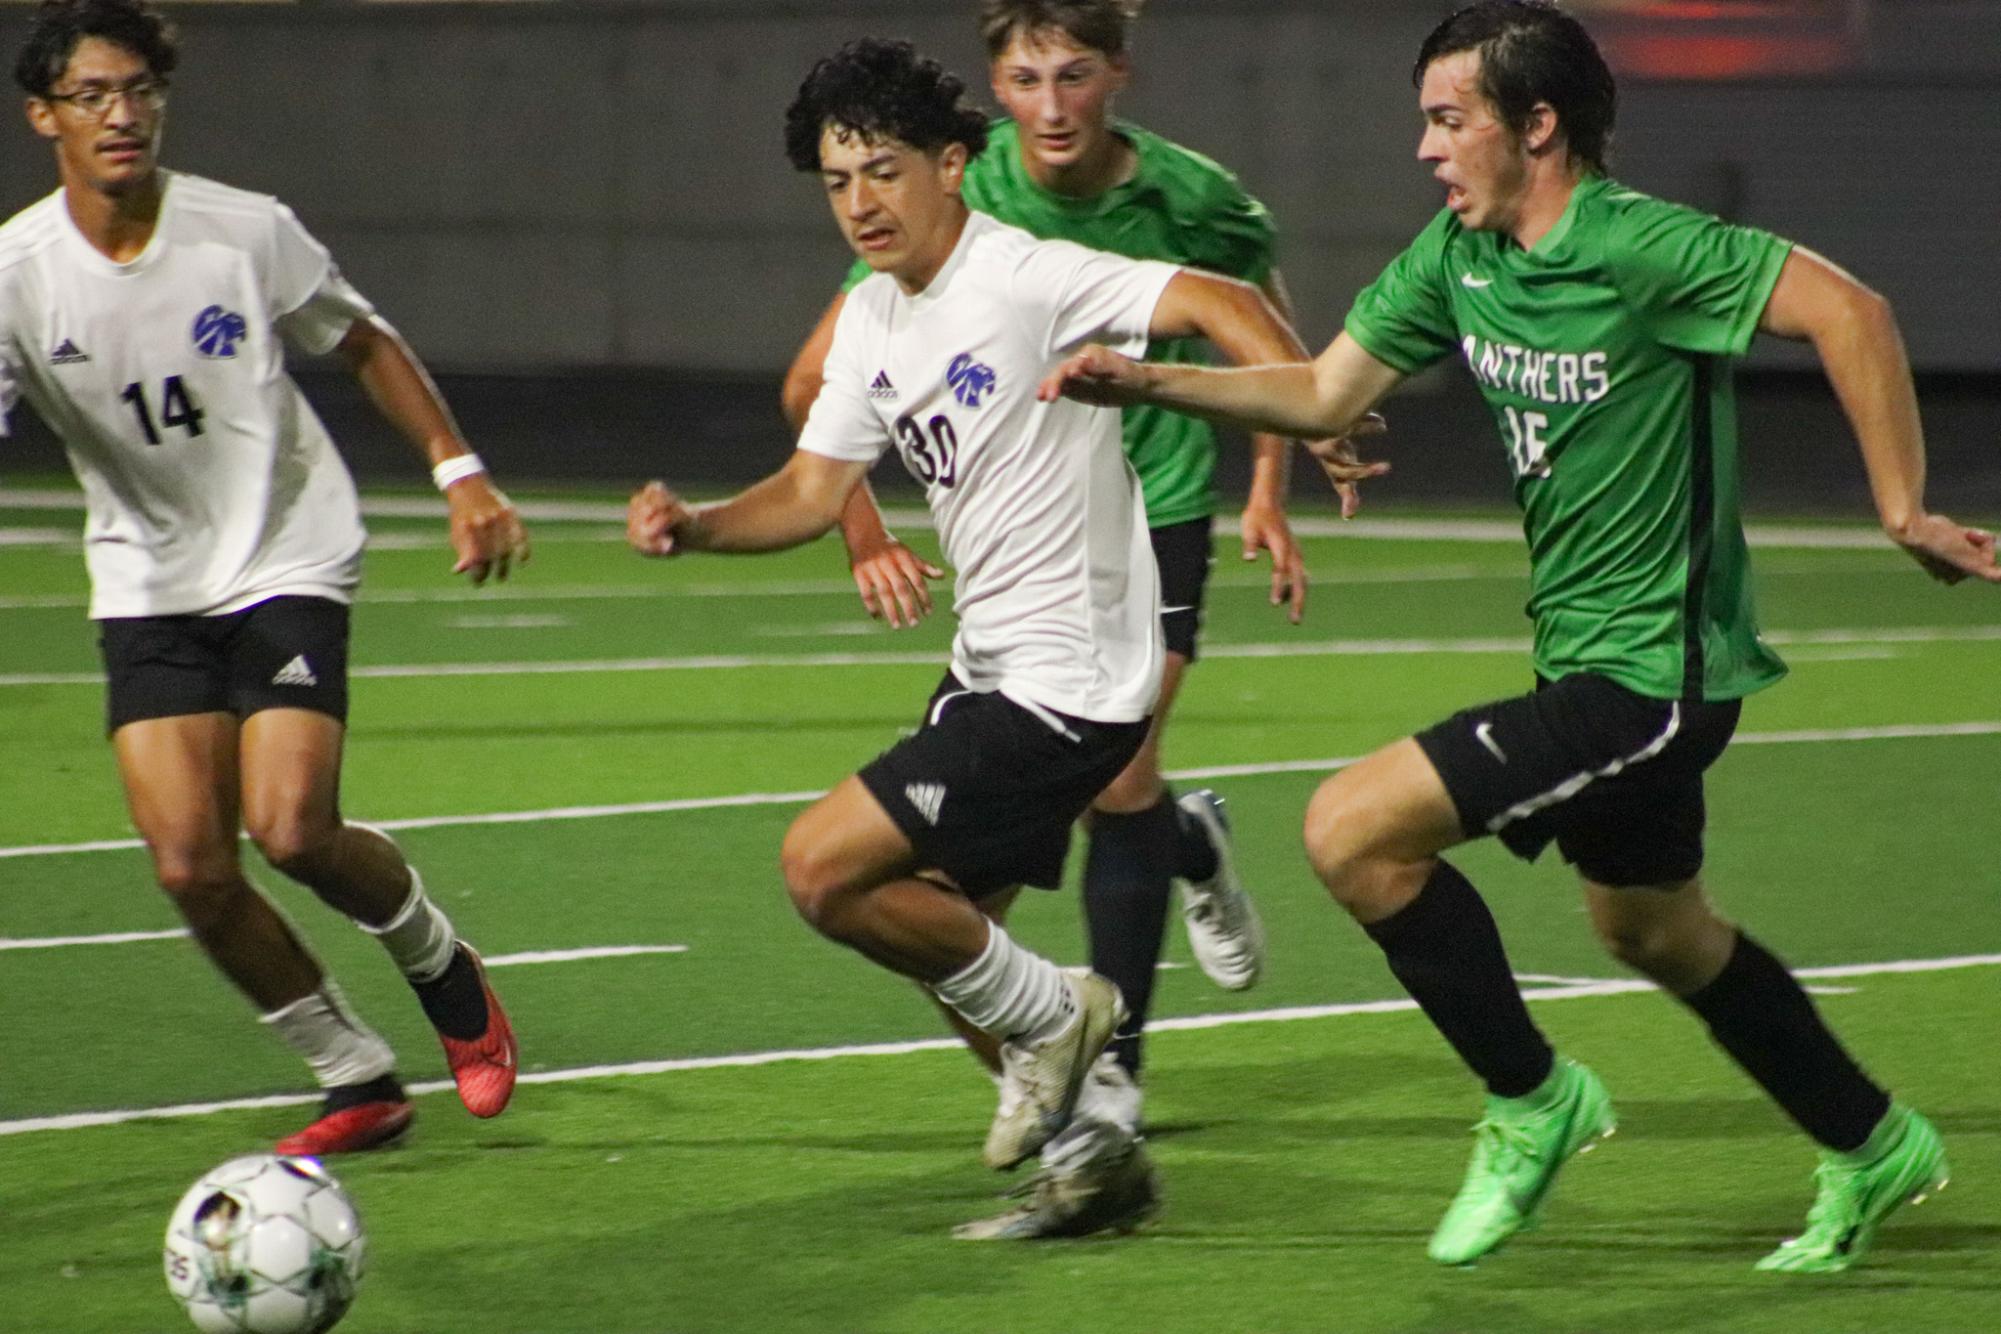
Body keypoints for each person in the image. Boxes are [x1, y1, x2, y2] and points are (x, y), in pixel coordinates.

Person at [1042, 0, 1995, 1272]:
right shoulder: (1456, 257)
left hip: (1657, 670)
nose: (1429, 149)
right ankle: (1875, 1142)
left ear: (1537, 125)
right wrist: (1147, 376)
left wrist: (1900, 508)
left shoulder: (1645, 245)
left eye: (1450, 120)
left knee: (1351, 829)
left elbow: (1852, 312)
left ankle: (1533, 1098)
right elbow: (1326, 388)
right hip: (1588, 659)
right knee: (1654, 931)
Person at [629, 36, 1347, 1239]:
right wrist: (697, 527)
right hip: (992, 668)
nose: (861, 203)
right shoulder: (871, 316)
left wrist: (1306, 401)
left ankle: (1064, 1023)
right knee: (936, 919)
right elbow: (811, 493)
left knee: (825, 867)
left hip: (1074, 681)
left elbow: (1218, 297)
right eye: (837, 180)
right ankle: (1093, 1156)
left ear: (954, 166)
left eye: (884, 171)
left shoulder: (1025, 273)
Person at [780, 0, 1350, 1131]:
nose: (1051, 105)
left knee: (1120, 773)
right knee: (950, 908)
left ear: (1118, 75)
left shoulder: (1196, 197)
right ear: (991, 91)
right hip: (1012, 554)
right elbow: (820, 390)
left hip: (1155, 497)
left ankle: (1110, 1073)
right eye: (1027, 78)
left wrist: (1272, 487)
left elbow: (1254, 315)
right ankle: (1145, 939)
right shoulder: (942, 193)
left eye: (1074, 75)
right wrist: (863, 527)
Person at [1, 0, 528, 1153]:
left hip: (287, 547)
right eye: (92, 95)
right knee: (192, 864)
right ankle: (357, 1076)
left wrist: (462, 473)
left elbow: (367, 342)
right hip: (145, 578)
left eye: (140, 88)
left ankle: (439, 960)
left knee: (293, 828)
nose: (122, 114)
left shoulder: (243, 231)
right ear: (44, 115)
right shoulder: (18, 272)